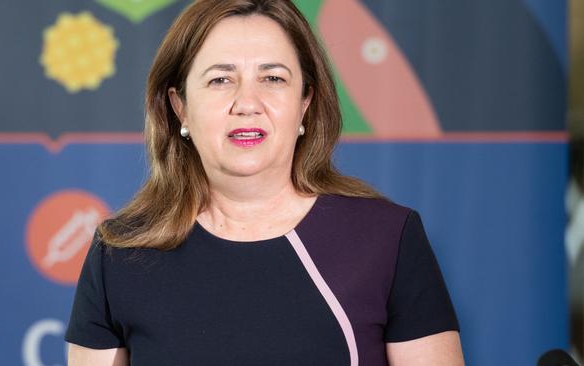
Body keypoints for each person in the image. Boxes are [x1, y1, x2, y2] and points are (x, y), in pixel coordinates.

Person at [64, 0, 465, 364]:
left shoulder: (387, 238)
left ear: (305, 102)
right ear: (179, 106)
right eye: (221, 79)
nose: (248, 103)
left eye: (273, 78)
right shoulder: (120, 252)